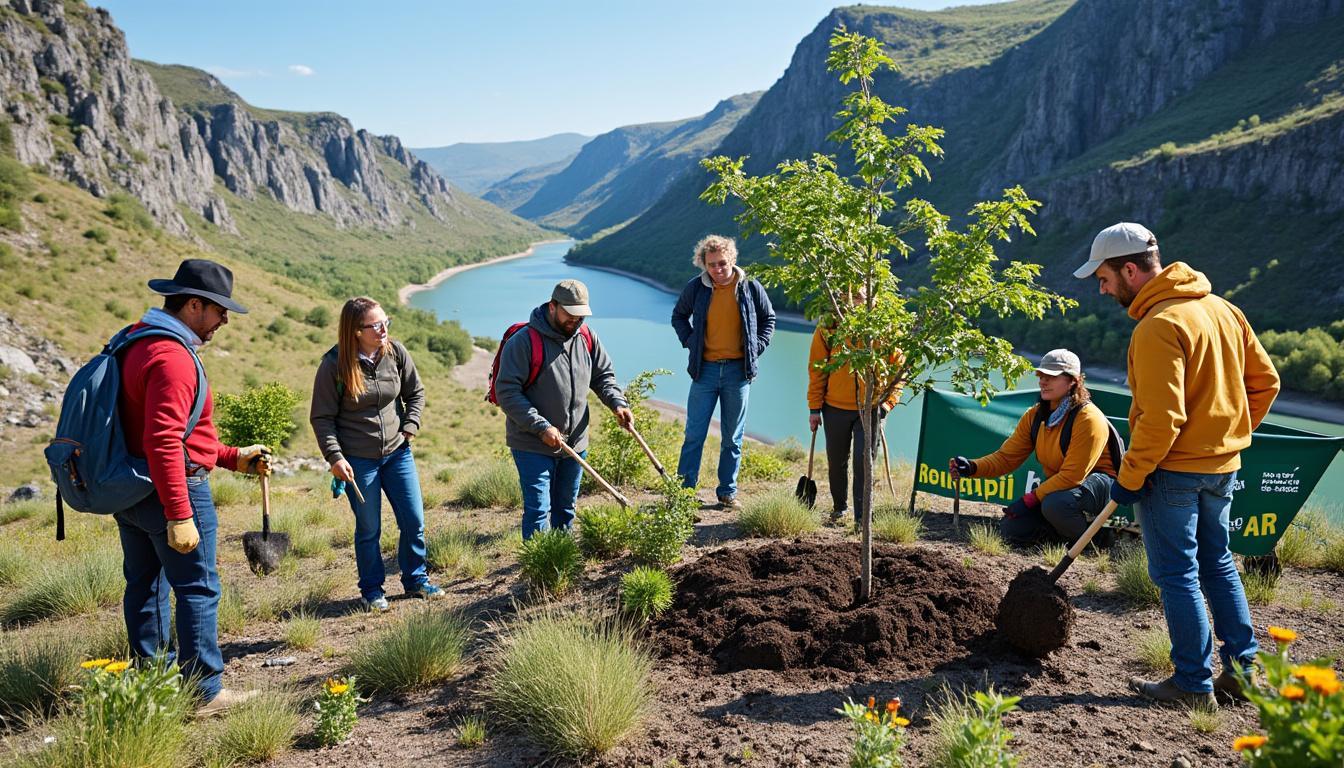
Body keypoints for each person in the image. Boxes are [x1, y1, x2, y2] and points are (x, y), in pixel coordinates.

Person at [1075, 222, 1280, 708]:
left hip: (1172, 474)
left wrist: (1129, 478)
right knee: (1219, 565)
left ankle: (1192, 684)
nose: (1102, 290)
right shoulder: (1223, 310)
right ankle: (1244, 674)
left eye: (1104, 278)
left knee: (1178, 574)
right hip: (1222, 468)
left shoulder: (1158, 327)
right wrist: (1224, 435)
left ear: (1130, 269)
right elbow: (1266, 382)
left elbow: (1161, 419)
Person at [118, 258, 271, 714]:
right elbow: (163, 440)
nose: (225, 320)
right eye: (219, 311)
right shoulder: (172, 359)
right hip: (173, 490)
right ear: (192, 305)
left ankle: (152, 682)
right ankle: (205, 691)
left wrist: (232, 457)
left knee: (144, 585)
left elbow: (176, 435)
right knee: (198, 587)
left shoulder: (135, 341)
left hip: (132, 489)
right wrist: (180, 512)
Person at [311, 297, 441, 612]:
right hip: (358, 461)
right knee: (369, 528)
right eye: (376, 325)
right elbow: (322, 418)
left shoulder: (396, 353)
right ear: (356, 331)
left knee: (414, 520)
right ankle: (372, 590)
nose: (384, 330)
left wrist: (410, 424)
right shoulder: (334, 365)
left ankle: (416, 580)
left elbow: (416, 392)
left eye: (386, 322)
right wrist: (335, 457)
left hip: (398, 453)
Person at [493, 280, 632, 539]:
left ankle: (561, 563)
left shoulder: (587, 337)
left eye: (581, 315)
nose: (576, 320)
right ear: (553, 306)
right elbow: (507, 392)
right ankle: (540, 571)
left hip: (575, 443)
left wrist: (618, 403)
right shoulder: (524, 342)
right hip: (532, 444)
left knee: (566, 510)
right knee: (538, 511)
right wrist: (541, 427)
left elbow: (603, 377)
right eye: (570, 314)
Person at [949, 349, 1119, 548]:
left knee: (1056, 505)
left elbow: (1073, 476)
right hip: (1061, 490)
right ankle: (1062, 537)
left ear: (1073, 381)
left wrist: (1030, 499)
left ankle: (1096, 541)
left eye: (1052, 377)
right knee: (1011, 529)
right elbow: (1006, 458)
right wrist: (971, 467)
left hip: (1097, 490)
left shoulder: (1088, 419)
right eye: (1041, 375)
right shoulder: (1035, 415)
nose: (1043, 381)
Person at [671, 235, 776, 509]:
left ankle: (727, 492)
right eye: (711, 265)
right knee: (694, 434)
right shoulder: (697, 288)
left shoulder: (750, 287)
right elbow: (678, 316)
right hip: (703, 371)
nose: (717, 269)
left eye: (721, 263)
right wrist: (691, 342)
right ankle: (684, 494)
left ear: (732, 259)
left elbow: (768, 320)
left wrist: (757, 346)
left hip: (737, 373)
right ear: (704, 265)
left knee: (732, 437)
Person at [807, 311, 900, 525]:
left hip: (870, 409)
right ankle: (840, 508)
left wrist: (887, 403)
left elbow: (899, 369)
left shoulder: (886, 323)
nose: (856, 294)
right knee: (836, 461)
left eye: (862, 289)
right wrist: (814, 407)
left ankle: (862, 518)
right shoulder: (830, 323)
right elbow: (817, 368)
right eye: (850, 289)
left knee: (864, 462)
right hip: (834, 407)